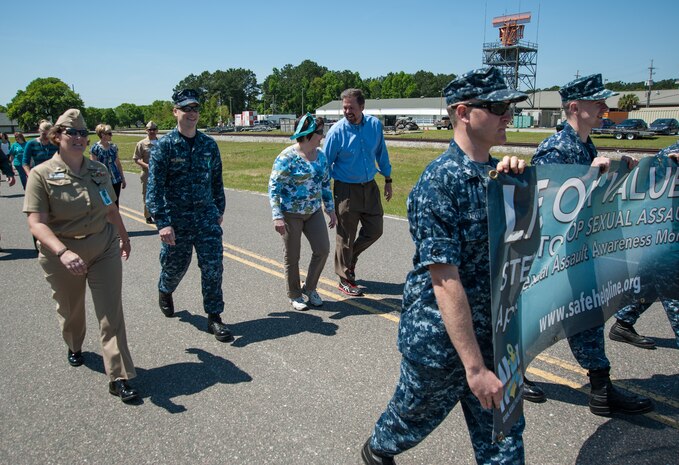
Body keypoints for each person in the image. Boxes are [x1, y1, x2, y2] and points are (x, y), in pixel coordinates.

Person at [361, 68, 528, 465]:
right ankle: (376, 451)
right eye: (499, 107)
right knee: (407, 423)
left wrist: (596, 175)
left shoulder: (503, 178)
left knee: (504, 445)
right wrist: (474, 368)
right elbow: (445, 281)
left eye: (509, 107)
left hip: (498, 336)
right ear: (464, 112)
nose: (509, 115)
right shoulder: (439, 182)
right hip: (441, 344)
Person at [531, 74, 653, 416]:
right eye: (597, 102)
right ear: (574, 107)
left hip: (581, 249)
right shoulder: (557, 148)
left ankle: (600, 388)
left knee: (581, 314)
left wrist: (618, 173)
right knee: (555, 315)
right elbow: (544, 203)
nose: (605, 107)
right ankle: (511, 370)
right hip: (556, 254)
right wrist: (590, 175)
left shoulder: (585, 145)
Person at [22, 109, 138, 403]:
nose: (77, 137)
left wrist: (124, 238)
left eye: (81, 133)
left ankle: (120, 375)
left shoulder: (98, 170)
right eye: (70, 132)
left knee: (111, 314)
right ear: (56, 136)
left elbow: (111, 210)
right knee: (71, 311)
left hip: (103, 247)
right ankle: (74, 345)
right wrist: (61, 252)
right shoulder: (41, 175)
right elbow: (36, 223)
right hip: (62, 252)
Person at [146, 89, 233, 343]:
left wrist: (219, 210)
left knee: (213, 268)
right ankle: (165, 289)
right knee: (175, 267)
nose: (192, 113)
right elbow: (154, 189)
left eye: (195, 108)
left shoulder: (208, 145)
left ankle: (214, 317)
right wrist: (163, 223)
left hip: (206, 219)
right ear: (175, 112)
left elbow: (217, 181)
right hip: (177, 222)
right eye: (186, 109)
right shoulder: (164, 146)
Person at [609, 141, 679, 350]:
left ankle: (623, 322)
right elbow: (644, 186)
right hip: (665, 237)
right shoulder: (671, 153)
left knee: (648, 281)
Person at [322, 88, 392, 297]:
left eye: (351, 107)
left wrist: (388, 179)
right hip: (345, 189)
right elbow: (325, 165)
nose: (347, 111)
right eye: (344, 107)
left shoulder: (374, 126)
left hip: (370, 186)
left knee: (375, 229)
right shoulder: (336, 132)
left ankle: (350, 259)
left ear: (362, 107)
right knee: (345, 236)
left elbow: (382, 153)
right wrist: (326, 199)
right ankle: (345, 278)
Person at [268, 113, 337, 311]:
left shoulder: (321, 156)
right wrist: (277, 215)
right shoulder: (286, 158)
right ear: (307, 134)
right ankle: (295, 294)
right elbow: (274, 187)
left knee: (322, 249)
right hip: (290, 213)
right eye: (319, 132)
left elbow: (325, 183)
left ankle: (310, 288)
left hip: (313, 211)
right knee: (292, 256)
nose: (322, 136)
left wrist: (330, 209)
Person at [90, 124, 126, 207]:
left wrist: (122, 178)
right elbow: (94, 167)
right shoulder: (95, 148)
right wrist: (96, 183)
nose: (111, 135)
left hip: (116, 180)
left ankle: (115, 219)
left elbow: (118, 163)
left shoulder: (113, 147)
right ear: (103, 135)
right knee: (106, 203)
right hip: (103, 181)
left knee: (115, 203)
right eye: (109, 133)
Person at [133, 121, 159, 223]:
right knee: (147, 195)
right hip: (147, 173)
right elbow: (136, 159)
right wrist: (147, 166)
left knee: (160, 194)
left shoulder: (162, 142)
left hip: (160, 173)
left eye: (154, 129)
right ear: (146, 131)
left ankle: (158, 214)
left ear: (157, 130)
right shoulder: (141, 144)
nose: (152, 131)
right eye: (149, 129)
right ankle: (148, 215)